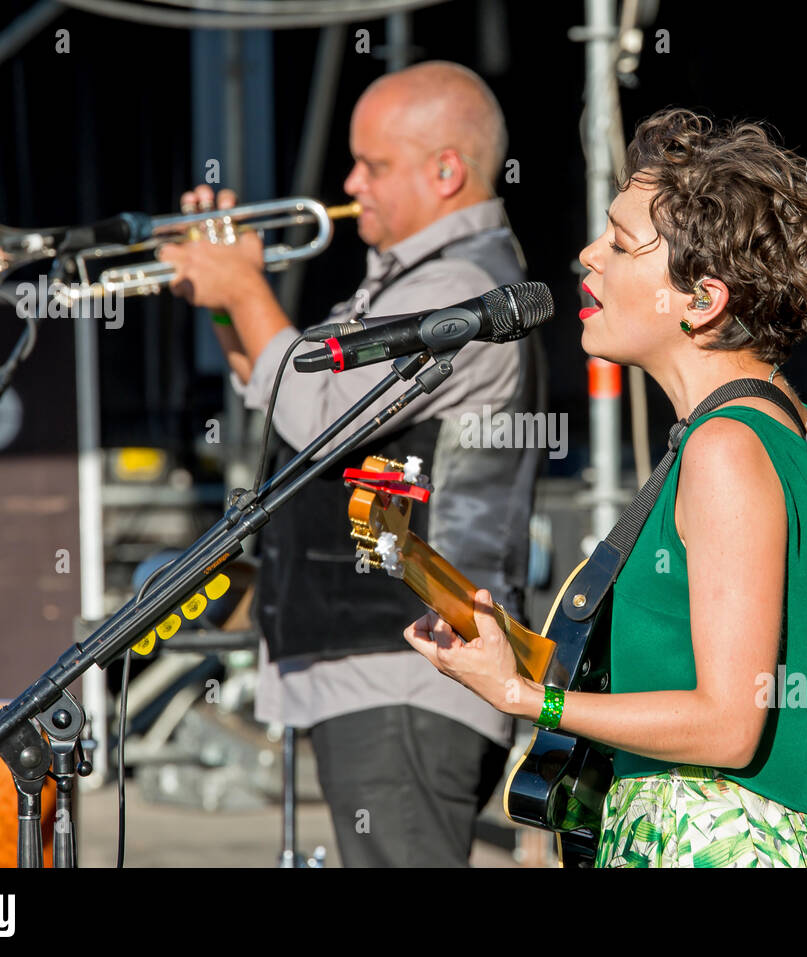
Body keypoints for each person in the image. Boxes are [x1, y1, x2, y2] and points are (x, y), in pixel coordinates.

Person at [404, 107, 807, 867]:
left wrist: (529, 699)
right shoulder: (799, 432)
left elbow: (727, 725)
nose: (588, 255)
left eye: (621, 243)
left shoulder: (725, 448)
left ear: (702, 300)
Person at [159, 61, 542, 867]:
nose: (349, 181)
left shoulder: (463, 286)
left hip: (406, 663)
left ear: (446, 171)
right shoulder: (409, 279)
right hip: (374, 665)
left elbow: (324, 417)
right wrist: (227, 295)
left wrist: (246, 287)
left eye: (373, 164)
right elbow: (284, 393)